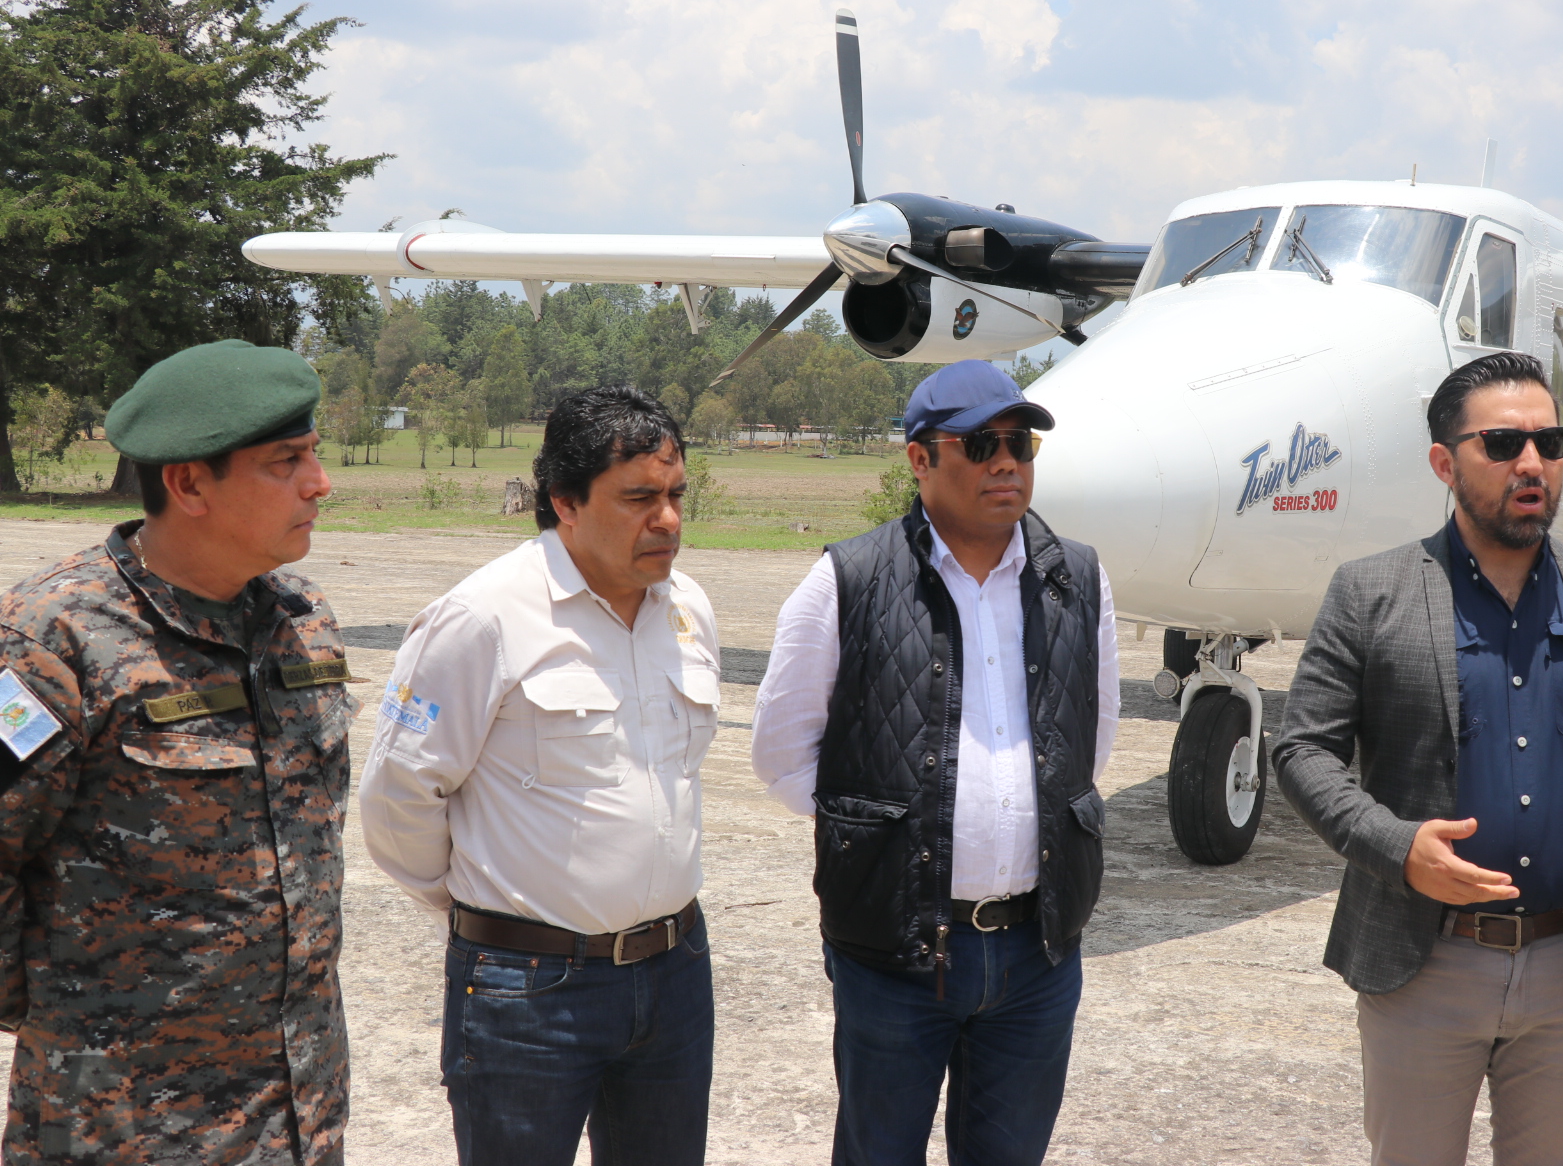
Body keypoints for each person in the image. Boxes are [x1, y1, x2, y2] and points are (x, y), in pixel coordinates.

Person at [1272, 351, 1563, 1166]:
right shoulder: (1369, 593)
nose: (1532, 463)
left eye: (1550, 442)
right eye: (1502, 444)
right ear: (1444, 463)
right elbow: (1304, 750)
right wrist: (1396, 846)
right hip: (1424, 963)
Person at [752, 359, 1119, 1166]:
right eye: (983, 443)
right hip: (896, 954)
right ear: (920, 460)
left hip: (1037, 955)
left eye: (1021, 443)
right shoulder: (844, 580)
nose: (1007, 463)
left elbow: (1090, 745)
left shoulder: (1078, 579)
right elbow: (782, 756)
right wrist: (888, 840)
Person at [0, 340, 353, 1164]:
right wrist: (75, 1015)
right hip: (122, 1128)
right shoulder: (53, 639)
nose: (320, 483)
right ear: (189, 483)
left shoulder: (303, 621)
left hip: (298, 1109)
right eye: (286, 462)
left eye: (314, 454)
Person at [358, 385, 719, 1166]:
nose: (668, 520)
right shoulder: (482, 617)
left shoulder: (688, 609)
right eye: (639, 498)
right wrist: (488, 918)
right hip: (528, 990)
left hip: (676, 973)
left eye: (676, 495)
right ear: (565, 501)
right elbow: (398, 801)